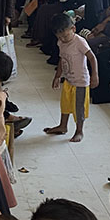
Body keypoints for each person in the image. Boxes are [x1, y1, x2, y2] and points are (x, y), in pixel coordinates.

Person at [43, 14, 99, 142]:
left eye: (65, 36)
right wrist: (57, 76)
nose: (63, 39)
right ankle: (63, 126)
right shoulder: (61, 43)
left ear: (73, 29)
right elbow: (62, 59)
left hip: (81, 82)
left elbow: (92, 57)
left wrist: (94, 75)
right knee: (65, 104)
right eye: (60, 37)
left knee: (79, 108)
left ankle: (79, 131)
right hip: (68, 80)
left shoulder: (80, 42)